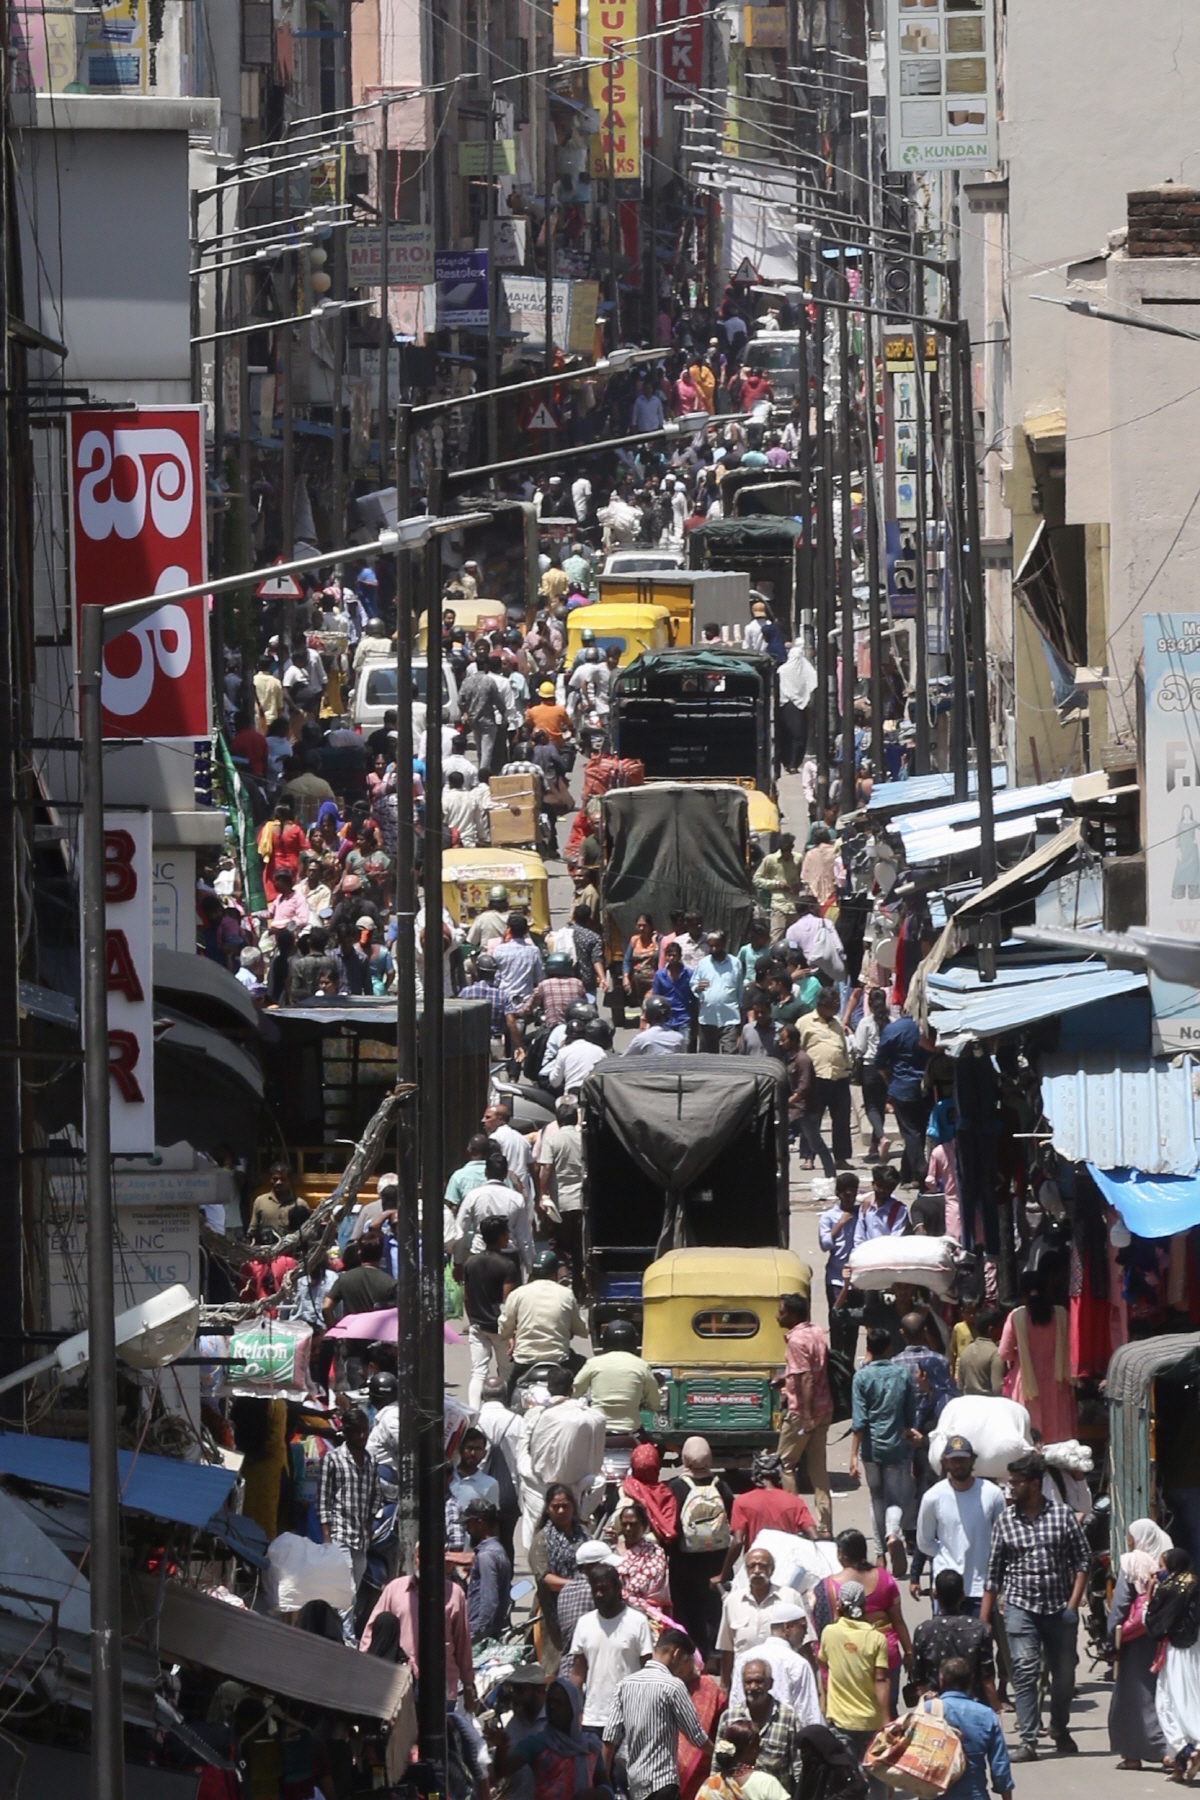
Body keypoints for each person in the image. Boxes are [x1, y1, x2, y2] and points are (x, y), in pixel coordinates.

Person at [980, 1450, 1089, 1761]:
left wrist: (1072, 1605)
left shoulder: (1062, 1516)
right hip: (1019, 1607)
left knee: (1064, 1674)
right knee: (1025, 1671)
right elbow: (993, 1573)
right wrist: (984, 1619)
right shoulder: (1004, 1522)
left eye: (1016, 1482)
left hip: (1058, 1609)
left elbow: (1082, 1561)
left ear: (1034, 1483)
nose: (1010, 1487)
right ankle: (1028, 1740)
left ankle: (1059, 1727)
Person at [603, 1627, 711, 1800]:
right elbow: (695, 1735)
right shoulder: (673, 1686)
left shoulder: (625, 1684)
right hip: (662, 1784)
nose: (683, 1670)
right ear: (676, 1654)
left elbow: (610, 1737)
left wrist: (604, 1778)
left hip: (633, 1782)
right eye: (685, 1662)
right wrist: (717, 1755)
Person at [360, 1552, 477, 1710]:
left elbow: (462, 1643)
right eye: (421, 1555)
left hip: (441, 1685)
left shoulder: (455, 1594)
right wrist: (363, 1668)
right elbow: (373, 1630)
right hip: (401, 1682)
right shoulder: (395, 1589)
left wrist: (468, 1685)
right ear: (415, 1559)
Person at [811, 1529, 910, 1715]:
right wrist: (909, 1651)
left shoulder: (828, 1586)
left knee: (855, 1709)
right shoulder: (884, 1578)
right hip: (886, 1652)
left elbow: (823, 1628)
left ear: (840, 1554)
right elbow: (898, 1619)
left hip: (850, 1654)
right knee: (887, 1709)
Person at [1105, 1519, 1173, 1769]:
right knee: (1161, 1694)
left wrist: (1111, 1637)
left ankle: (1149, 1751)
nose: (1128, 1539)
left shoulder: (1133, 1561)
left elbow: (1121, 1603)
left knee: (1133, 1696)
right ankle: (1163, 1748)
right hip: (1162, 1638)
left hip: (1135, 1640)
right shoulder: (1167, 1562)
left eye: (1131, 1534)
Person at [849, 1329, 918, 1574]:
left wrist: (852, 1457)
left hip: (870, 1448)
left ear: (868, 1347)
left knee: (876, 1498)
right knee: (895, 1498)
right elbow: (911, 1414)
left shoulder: (862, 1377)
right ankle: (893, 1533)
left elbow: (859, 1421)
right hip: (898, 1446)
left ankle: (879, 1555)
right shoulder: (902, 1374)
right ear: (889, 1348)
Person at [914, 1436, 1006, 1613]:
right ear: (946, 1462)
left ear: (972, 1460)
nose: (958, 1465)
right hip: (946, 1588)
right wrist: (946, 1555)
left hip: (982, 1588)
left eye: (963, 1460)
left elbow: (1002, 1539)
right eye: (954, 1460)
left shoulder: (992, 1494)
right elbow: (924, 1541)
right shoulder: (933, 1497)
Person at [520, 1367, 608, 1543]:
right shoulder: (591, 1416)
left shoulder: (537, 1415)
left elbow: (524, 1448)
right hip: (575, 1491)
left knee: (535, 1532)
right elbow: (596, 1474)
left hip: (540, 1486)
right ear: (572, 1390)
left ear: (549, 1389)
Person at [667, 1436, 736, 1659]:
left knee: (687, 1607)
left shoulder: (676, 1487)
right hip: (717, 1559)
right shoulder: (721, 1486)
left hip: (684, 1559)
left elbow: (671, 1524)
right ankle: (716, 1655)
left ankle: (692, 1654)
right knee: (714, 1607)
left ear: (684, 1458)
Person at [316, 1407, 381, 1643]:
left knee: (351, 1587)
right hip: (339, 1533)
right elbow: (322, 1500)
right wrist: (327, 1538)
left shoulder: (370, 1461)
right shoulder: (332, 1460)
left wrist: (369, 1522)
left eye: (365, 1431)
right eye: (357, 1432)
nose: (362, 1437)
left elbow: (376, 1494)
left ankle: (337, 1634)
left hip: (360, 1536)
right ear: (348, 1432)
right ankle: (348, 1639)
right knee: (347, 1588)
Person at [569, 1561, 655, 1731]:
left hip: (630, 1717)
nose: (599, 1594)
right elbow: (578, 1671)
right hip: (593, 1718)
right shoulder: (584, 1623)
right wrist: (575, 1709)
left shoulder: (638, 1622)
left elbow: (648, 1669)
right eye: (595, 1590)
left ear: (617, 1589)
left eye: (604, 1589)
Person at [815, 1581, 890, 1773]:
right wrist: (886, 1720)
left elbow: (823, 1665)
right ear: (865, 1605)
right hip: (871, 1721)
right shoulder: (876, 1638)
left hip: (841, 1721)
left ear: (839, 1604)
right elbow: (881, 1680)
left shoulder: (829, 1633)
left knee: (847, 1778)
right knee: (876, 1777)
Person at [775, 1293, 833, 1538]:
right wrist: (785, 1378)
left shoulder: (796, 1341)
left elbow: (807, 1377)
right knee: (818, 1469)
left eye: (782, 1311)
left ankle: (794, 1521)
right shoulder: (816, 1331)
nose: (778, 1316)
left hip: (802, 1414)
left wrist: (806, 1416)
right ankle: (824, 1526)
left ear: (793, 1315)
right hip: (824, 1408)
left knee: (785, 1464)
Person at [997, 1271, 1077, 1445]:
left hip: (1027, 1382)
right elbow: (1073, 1346)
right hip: (1057, 1382)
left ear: (1023, 1293)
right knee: (1057, 1430)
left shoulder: (1016, 1317)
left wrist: (1021, 1355)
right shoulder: (1062, 1314)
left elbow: (1003, 1352)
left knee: (1028, 1430)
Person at [716, 1452, 816, 1590]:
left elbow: (738, 1541)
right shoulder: (795, 1502)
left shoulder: (742, 1502)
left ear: (755, 1475)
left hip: (755, 1569)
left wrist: (722, 1575)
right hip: (787, 1571)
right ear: (779, 1475)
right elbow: (814, 1536)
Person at [493, 1676, 603, 1799]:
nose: (552, 1707)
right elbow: (503, 1771)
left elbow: (605, 1785)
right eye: (550, 1702)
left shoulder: (589, 1745)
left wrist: (597, 1795)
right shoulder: (537, 1743)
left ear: (573, 1707)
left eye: (559, 1703)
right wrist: (501, 1748)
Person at [715, 1547, 805, 1691]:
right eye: (752, 1566)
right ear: (746, 1570)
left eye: (762, 1565)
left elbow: (805, 1645)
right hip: (746, 1684)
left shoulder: (790, 1597)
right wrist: (725, 1686)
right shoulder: (732, 1601)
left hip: (783, 1682)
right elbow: (727, 1648)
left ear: (772, 1569)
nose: (757, 1570)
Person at [498, 1244, 588, 1383]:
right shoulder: (566, 1294)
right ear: (555, 1273)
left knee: (507, 1391)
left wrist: (510, 1335)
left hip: (524, 1360)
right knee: (583, 1368)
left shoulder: (518, 1294)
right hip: (559, 1360)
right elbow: (581, 1329)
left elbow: (504, 1327)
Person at [1146, 1547, 1200, 1781]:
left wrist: (1150, 1592)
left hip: (1177, 1651)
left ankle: (1190, 1750)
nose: (1159, 1571)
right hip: (1196, 1647)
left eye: (1162, 1566)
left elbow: (1153, 1621)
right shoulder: (1195, 1583)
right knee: (1193, 1696)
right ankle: (1181, 1765)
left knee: (1169, 1701)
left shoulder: (1169, 1588)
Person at [720, 1658, 812, 1790]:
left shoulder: (787, 1716)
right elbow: (719, 1763)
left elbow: (798, 1765)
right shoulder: (729, 1718)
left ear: (771, 1684)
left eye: (759, 1681)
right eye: (748, 1682)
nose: (753, 1687)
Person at [910, 1570, 999, 1707]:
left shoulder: (924, 1631)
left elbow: (918, 1679)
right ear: (963, 1596)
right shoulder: (978, 1629)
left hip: (935, 1709)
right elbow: (987, 1679)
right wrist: (996, 1711)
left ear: (935, 1595)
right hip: (973, 1706)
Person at [931, 1656, 1013, 1800]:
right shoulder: (986, 1715)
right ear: (970, 1681)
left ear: (941, 1680)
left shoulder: (927, 1710)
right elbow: (999, 1766)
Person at [529, 1484, 590, 1677]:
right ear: (548, 1508)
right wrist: (577, 1586)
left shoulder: (584, 1535)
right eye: (556, 1506)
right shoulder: (542, 1540)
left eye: (565, 1505)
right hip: (551, 1616)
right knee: (554, 1670)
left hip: (583, 1611)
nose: (561, 1511)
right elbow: (544, 1578)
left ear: (573, 1506)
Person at [461, 1215, 519, 1409]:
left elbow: (466, 1296)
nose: (508, 1236)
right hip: (500, 1328)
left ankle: (474, 1413)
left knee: (478, 1372)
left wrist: (473, 1320)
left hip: (478, 1325)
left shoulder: (471, 1262)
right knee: (506, 1371)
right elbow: (507, 1302)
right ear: (501, 1236)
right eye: (506, 1233)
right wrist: (511, 1331)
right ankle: (506, 1410)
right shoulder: (508, 1265)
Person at [453, 1143, 534, 1273]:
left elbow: (460, 1230)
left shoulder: (473, 1196)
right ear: (505, 1174)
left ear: (486, 1172)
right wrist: (530, 1268)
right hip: (509, 1258)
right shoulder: (516, 1198)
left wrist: (457, 1262)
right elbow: (524, 1237)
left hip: (479, 1258)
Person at [797, 991, 853, 1172]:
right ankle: (808, 1157)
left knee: (842, 1122)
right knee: (812, 1121)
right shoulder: (805, 1022)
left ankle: (841, 1158)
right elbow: (798, 1051)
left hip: (839, 1078)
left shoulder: (837, 1023)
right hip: (817, 1080)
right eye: (834, 1002)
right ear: (822, 1004)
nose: (837, 1005)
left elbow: (842, 1047)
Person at [573, 1319, 662, 1433]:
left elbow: (575, 1391)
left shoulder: (593, 1363)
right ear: (634, 1341)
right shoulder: (641, 1365)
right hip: (630, 1430)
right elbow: (654, 1403)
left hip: (599, 1430)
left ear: (604, 1341)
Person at [873, 1014, 930, 1188]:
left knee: (911, 1133)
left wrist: (889, 1083)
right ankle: (907, 1174)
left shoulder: (893, 1029)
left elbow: (880, 1063)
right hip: (926, 1086)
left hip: (902, 1087)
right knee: (917, 1132)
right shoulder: (929, 1027)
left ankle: (921, 1173)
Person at [536, 1099, 586, 1290]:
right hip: (582, 1202)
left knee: (557, 1242)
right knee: (579, 1245)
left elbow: (546, 1168)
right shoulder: (584, 1138)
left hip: (560, 1203)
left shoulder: (553, 1140)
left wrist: (542, 1194)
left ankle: (563, 1273)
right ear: (575, 1120)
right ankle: (581, 1286)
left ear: (558, 1121)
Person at [697, 1720, 790, 1800]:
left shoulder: (711, 1785)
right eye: (758, 1745)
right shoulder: (766, 1783)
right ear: (751, 1748)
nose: (759, 1749)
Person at [465, 1496, 513, 1640]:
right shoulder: (498, 1551)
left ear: (479, 1523)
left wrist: (478, 1633)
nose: (467, 1530)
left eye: (469, 1524)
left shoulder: (486, 1556)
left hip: (481, 1633)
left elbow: (490, 1600)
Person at [322, 1233, 397, 1323]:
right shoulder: (390, 1282)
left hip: (351, 1333)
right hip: (379, 1334)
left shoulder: (344, 1278)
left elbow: (326, 1307)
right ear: (381, 1255)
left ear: (359, 1254)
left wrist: (334, 1329)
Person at [615, 1499, 672, 1614]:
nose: (628, 1529)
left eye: (633, 1524)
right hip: (616, 1610)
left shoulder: (655, 1552)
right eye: (624, 1524)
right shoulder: (613, 1551)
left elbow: (660, 1590)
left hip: (649, 1612)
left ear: (645, 1526)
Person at [695, 930, 745, 1054]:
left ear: (724, 944)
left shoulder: (735, 963)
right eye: (710, 946)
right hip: (708, 1018)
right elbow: (693, 984)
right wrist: (697, 987)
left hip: (729, 1018)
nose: (713, 949)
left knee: (730, 1053)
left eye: (716, 945)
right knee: (708, 1057)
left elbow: (740, 991)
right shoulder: (703, 964)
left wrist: (741, 1021)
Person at [955, 1308, 1006, 1397]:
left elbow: (959, 1386)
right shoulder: (995, 1354)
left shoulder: (966, 1351)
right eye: (1000, 1327)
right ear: (991, 1329)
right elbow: (997, 1389)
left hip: (968, 1403)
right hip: (988, 1405)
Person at [626, 992, 688, 1057]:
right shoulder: (678, 1038)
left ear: (648, 1015)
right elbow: (683, 1059)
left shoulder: (641, 1039)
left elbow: (626, 1059)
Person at [249, 1162, 298, 1235]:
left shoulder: (299, 1204)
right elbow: (253, 1230)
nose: (278, 1182)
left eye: (283, 1179)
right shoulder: (260, 1201)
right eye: (275, 1179)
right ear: (270, 1179)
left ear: (289, 1180)